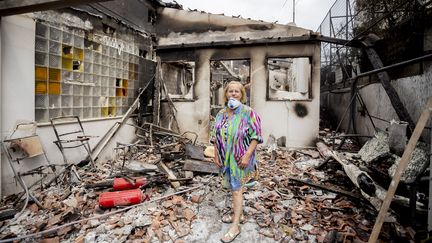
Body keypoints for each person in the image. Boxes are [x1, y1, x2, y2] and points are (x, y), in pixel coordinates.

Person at [210, 81, 263, 243]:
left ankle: (235, 226)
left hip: (240, 158)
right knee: (232, 187)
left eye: (236, 92)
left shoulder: (248, 113)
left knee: (236, 189)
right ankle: (238, 213)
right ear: (225, 94)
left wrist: (247, 156)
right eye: (230, 91)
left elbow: (256, 136)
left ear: (242, 95)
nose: (233, 94)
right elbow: (215, 135)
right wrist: (216, 154)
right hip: (225, 159)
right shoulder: (220, 114)